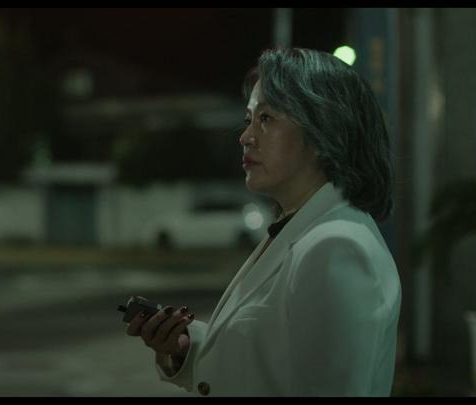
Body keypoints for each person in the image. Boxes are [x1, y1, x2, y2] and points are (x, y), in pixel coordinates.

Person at [125, 47, 402, 396]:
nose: (245, 136)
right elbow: (272, 361)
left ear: (323, 132)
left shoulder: (335, 247)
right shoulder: (299, 229)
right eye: (248, 119)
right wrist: (186, 347)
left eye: (266, 118)